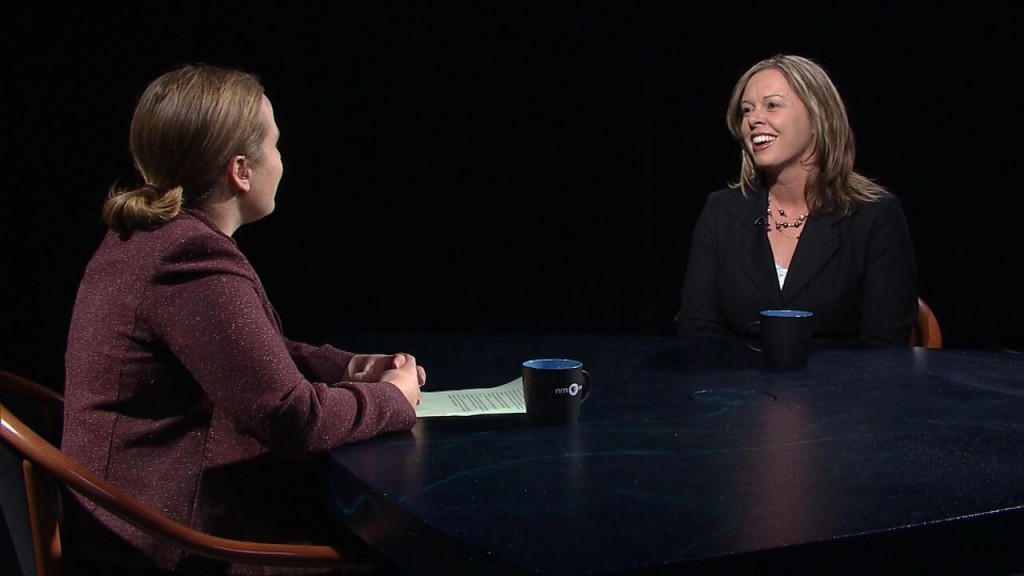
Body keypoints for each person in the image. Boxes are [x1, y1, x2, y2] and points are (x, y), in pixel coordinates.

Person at [61, 63, 425, 575]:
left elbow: (239, 349)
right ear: (240, 170)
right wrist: (391, 400)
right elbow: (292, 420)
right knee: (397, 553)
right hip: (166, 547)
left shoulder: (147, 240)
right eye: (274, 145)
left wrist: (346, 368)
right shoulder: (188, 257)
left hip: (127, 521)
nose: (281, 159)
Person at [676, 54, 918, 347]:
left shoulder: (875, 215)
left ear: (818, 117)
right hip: (738, 387)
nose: (753, 119)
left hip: (845, 389)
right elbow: (697, 328)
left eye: (773, 105)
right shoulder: (721, 210)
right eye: (746, 110)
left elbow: (884, 345)